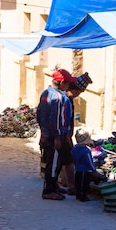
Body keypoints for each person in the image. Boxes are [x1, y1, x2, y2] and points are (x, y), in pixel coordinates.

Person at [36, 68, 76, 200]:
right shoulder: (59, 98)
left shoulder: (46, 93)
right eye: (67, 83)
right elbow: (58, 119)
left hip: (48, 134)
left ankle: (54, 186)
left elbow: (40, 114)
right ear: (62, 83)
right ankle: (48, 190)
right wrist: (58, 136)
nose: (68, 86)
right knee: (53, 163)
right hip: (55, 136)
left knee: (55, 161)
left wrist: (43, 132)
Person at [59, 72, 94, 195]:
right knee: (68, 160)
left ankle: (65, 182)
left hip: (67, 134)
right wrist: (66, 135)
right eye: (77, 92)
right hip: (64, 134)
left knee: (65, 159)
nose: (78, 95)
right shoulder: (65, 99)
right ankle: (71, 186)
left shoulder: (68, 99)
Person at [71, 128, 99, 202]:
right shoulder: (86, 151)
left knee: (78, 183)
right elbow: (89, 161)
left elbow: (72, 157)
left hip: (77, 169)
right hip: (85, 170)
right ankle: (83, 197)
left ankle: (78, 195)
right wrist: (94, 170)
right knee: (84, 184)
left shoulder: (75, 148)